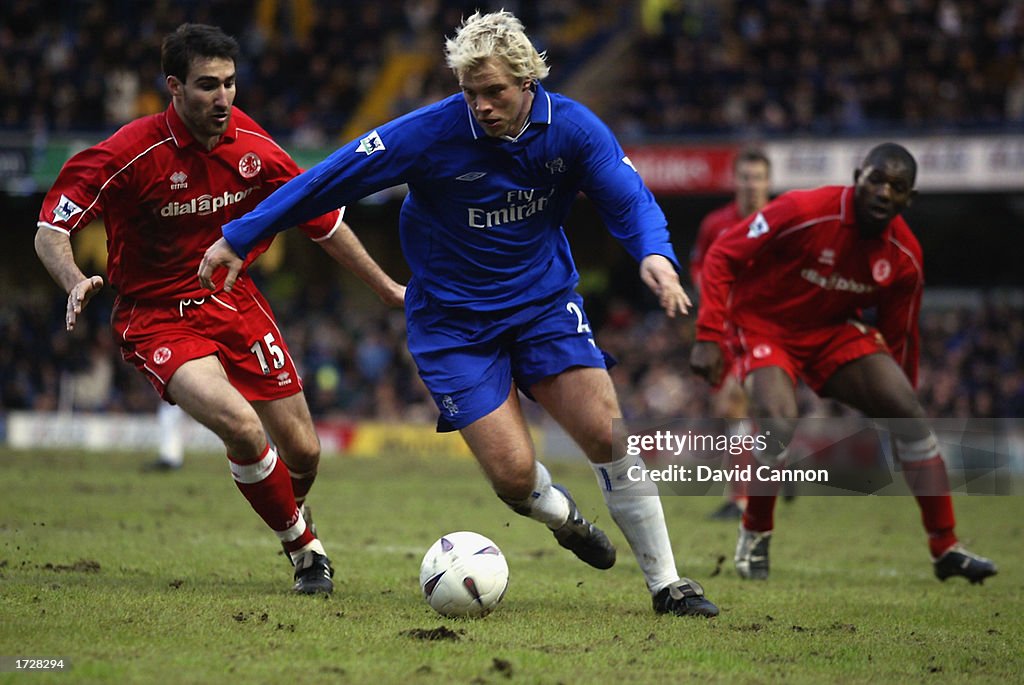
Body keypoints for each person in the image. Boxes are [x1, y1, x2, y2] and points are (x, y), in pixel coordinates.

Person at [200, 10, 719, 617]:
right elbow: (331, 178)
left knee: (608, 431)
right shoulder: (431, 132)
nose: (482, 106)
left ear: (530, 82)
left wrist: (654, 254)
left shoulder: (574, 130)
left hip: (543, 306)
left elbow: (628, 198)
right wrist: (242, 234)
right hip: (453, 326)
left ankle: (669, 586)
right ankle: (565, 517)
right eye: (471, 94)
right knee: (513, 476)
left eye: (495, 91)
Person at [34, 23, 405, 595]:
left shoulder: (254, 147)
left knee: (303, 452)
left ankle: (286, 511)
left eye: (230, 83)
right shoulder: (132, 152)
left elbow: (324, 221)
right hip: (156, 314)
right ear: (174, 88)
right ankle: (306, 553)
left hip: (232, 301)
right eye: (208, 85)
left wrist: (387, 289)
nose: (223, 98)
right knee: (241, 426)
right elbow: (50, 229)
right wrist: (74, 279)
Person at [689, 142, 997, 584]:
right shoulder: (803, 208)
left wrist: (898, 411)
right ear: (858, 178)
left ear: (909, 199)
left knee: (910, 415)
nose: (884, 192)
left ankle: (945, 547)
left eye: (897, 187)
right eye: (877, 180)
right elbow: (721, 255)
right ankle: (755, 531)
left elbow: (899, 340)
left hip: (831, 332)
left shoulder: (904, 258)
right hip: (764, 324)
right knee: (778, 420)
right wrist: (708, 335)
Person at [689, 148, 772, 520]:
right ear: (735, 180)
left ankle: (741, 497)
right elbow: (698, 265)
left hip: (767, 328)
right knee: (730, 410)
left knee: (738, 403)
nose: (751, 185)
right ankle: (758, 481)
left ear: (768, 182)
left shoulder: (781, 220)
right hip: (725, 329)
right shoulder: (715, 224)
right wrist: (709, 294)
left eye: (758, 177)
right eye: (745, 177)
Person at [147, 403, 187, 471]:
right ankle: (170, 458)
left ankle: (170, 459)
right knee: (170, 430)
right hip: (171, 405)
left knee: (170, 429)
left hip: (172, 405)